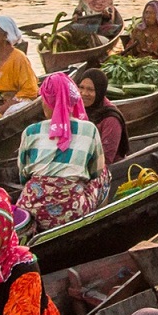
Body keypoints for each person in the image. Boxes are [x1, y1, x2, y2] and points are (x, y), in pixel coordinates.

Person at [17, 72, 109, 232]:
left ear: (47, 101)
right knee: (105, 174)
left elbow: (23, 175)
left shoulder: (30, 132)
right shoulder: (89, 129)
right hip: (71, 211)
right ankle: (98, 225)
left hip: (30, 206)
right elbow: (96, 171)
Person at [79, 69, 130, 165]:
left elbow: (106, 158)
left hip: (104, 169)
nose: (84, 93)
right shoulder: (80, 109)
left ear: (100, 91)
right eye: (81, 87)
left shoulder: (111, 118)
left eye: (90, 89)